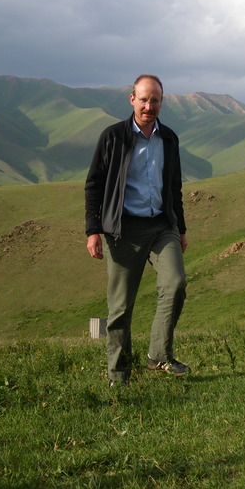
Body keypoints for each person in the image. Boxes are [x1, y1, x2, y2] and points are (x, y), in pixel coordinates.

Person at [85, 74, 189, 387]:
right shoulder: (113, 137)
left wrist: (181, 228)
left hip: (161, 226)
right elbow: (94, 184)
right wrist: (93, 230)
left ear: (161, 103)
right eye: (143, 100)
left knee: (176, 283)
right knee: (120, 307)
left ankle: (159, 355)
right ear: (132, 99)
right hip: (123, 230)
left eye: (155, 100)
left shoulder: (168, 138)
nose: (148, 106)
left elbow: (174, 186)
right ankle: (119, 376)